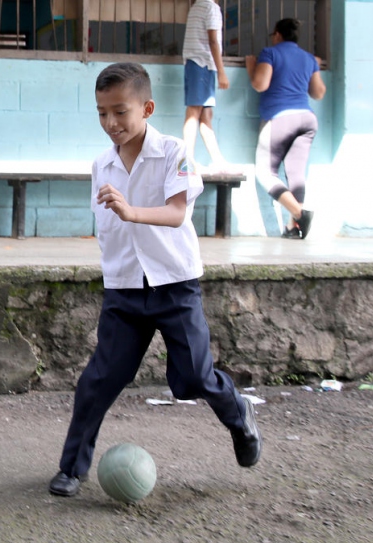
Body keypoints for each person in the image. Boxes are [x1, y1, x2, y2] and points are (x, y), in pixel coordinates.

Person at [47, 62, 262, 498]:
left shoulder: (174, 153)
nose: (111, 123)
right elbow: (107, 225)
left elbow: (177, 212)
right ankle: (72, 467)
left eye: (120, 112)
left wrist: (131, 212)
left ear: (146, 107)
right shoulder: (102, 164)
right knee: (99, 380)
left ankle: (238, 415)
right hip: (124, 288)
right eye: (102, 113)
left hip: (174, 284)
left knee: (193, 380)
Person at [245, 18, 326, 239]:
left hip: (281, 118)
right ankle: (293, 228)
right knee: (296, 174)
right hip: (307, 120)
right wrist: (314, 66)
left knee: (265, 172)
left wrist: (252, 69)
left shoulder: (270, 53)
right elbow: (318, 93)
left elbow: (261, 84)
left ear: (278, 35)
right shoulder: (309, 58)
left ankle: (300, 214)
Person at [182, 0, 230, 170]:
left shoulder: (197, 6)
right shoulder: (211, 7)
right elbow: (213, 41)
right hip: (202, 63)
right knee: (194, 112)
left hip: (198, 64)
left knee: (205, 114)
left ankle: (217, 160)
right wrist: (222, 71)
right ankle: (186, 160)